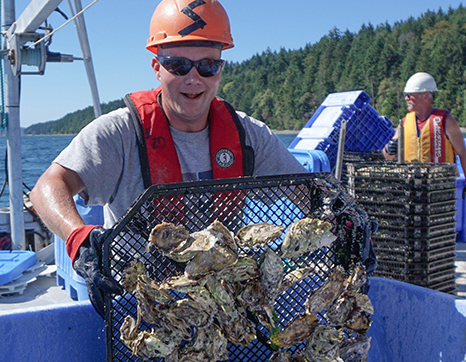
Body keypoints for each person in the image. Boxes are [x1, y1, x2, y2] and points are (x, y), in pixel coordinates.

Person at [29, 0, 307, 317]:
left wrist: (344, 218)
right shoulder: (120, 133)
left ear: (220, 69)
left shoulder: (249, 135)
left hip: (223, 304)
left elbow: (309, 196)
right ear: (157, 67)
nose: (193, 79)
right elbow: (47, 188)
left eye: (207, 65)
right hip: (139, 305)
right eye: (178, 65)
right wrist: (80, 238)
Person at [383, 72, 466, 177]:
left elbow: (463, 154)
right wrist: (389, 148)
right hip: (410, 185)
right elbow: (388, 156)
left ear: (425, 96)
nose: (406, 99)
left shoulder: (446, 121)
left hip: (441, 185)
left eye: (409, 95)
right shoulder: (404, 123)